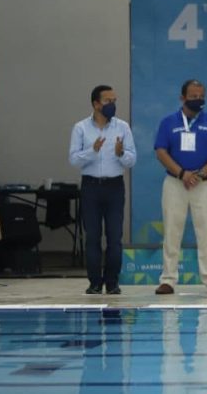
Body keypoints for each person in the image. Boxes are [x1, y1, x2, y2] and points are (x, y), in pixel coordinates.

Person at [153, 79, 207, 295]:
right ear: (182, 98)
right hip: (175, 183)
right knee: (172, 231)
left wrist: (200, 173)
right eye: (193, 96)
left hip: (204, 184)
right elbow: (161, 151)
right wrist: (182, 173)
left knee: (206, 231)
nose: (198, 100)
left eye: (201, 96)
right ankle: (168, 279)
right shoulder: (168, 122)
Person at [68, 85, 137, 294]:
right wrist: (92, 151)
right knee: (92, 237)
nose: (112, 105)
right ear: (96, 104)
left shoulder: (122, 127)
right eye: (108, 101)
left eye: (114, 101)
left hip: (114, 187)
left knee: (115, 238)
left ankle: (112, 282)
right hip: (90, 187)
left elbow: (132, 159)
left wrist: (120, 153)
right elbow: (73, 159)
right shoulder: (81, 128)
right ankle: (95, 283)